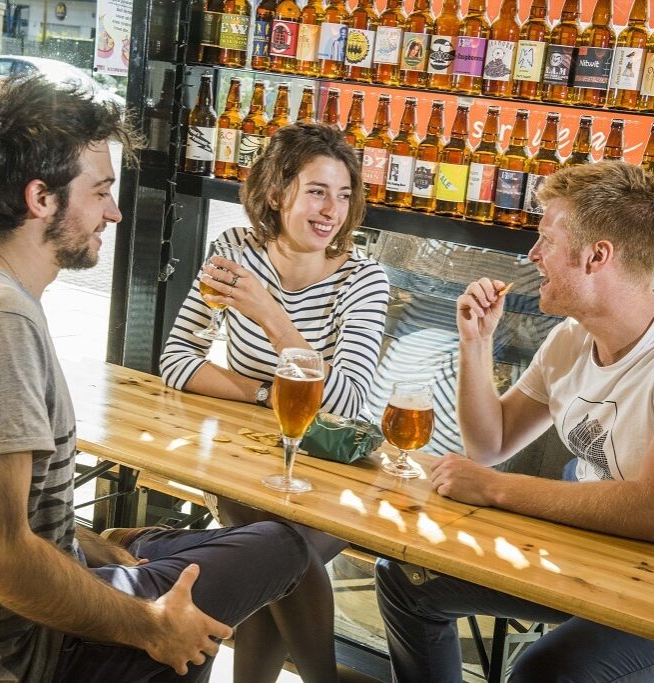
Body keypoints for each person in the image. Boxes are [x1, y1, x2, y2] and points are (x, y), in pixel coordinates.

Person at [0, 73, 310, 683]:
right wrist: (152, 625)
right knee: (282, 548)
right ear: (41, 199)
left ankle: (137, 557)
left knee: (181, 571)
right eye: (100, 191)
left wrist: (111, 560)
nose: (115, 211)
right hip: (5, 659)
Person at [375, 161, 654, 683]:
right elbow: (490, 443)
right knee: (406, 579)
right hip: (595, 553)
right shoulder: (571, 339)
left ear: (596, 256)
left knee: (547, 672)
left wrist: (495, 490)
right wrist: (476, 343)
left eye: (545, 240)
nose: (532, 256)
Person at [160, 121, 390, 683]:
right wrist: (270, 396)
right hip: (252, 455)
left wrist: (271, 316)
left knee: (271, 550)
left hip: (336, 469)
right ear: (275, 193)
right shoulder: (234, 252)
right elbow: (177, 361)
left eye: (343, 195)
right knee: (262, 548)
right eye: (317, 191)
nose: (331, 209)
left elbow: (343, 399)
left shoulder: (364, 279)